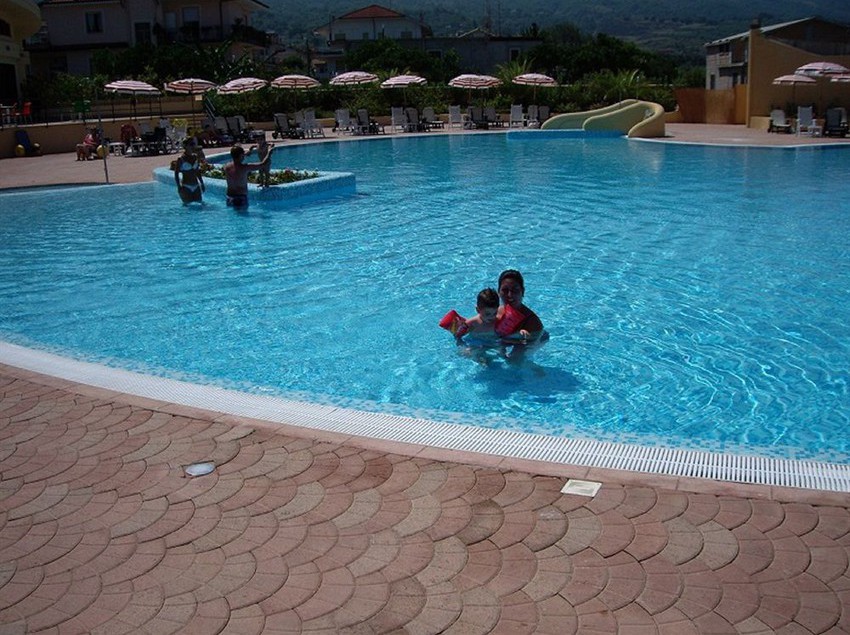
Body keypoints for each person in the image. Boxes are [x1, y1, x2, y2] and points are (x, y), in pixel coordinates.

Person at [495, 269, 548, 356]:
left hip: (537, 338)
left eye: (515, 290)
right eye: (505, 290)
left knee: (514, 362)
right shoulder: (494, 313)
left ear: (522, 292)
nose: (509, 295)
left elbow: (522, 350)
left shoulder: (532, 322)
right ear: (498, 292)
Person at [223, 144, 272, 209]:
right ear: (241, 156)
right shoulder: (244, 168)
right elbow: (263, 164)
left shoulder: (226, 167)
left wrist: (245, 154)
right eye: (243, 155)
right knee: (242, 214)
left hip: (229, 197)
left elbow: (236, 158)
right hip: (241, 198)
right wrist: (269, 152)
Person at [173, 138, 205, 205]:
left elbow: (197, 172)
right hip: (186, 186)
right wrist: (179, 186)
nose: (193, 146)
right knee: (187, 208)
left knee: (200, 206)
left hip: (196, 186)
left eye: (194, 144)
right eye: (191, 144)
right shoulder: (181, 159)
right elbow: (176, 174)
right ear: (185, 146)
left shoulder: (195, 157)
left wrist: (202, 183)